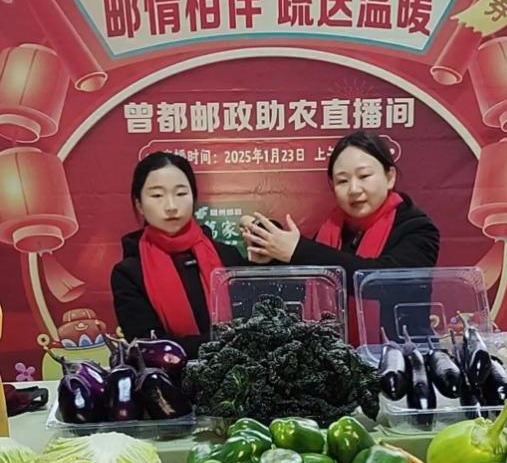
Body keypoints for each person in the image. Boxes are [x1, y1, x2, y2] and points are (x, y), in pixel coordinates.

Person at [242, 131, 440, 343]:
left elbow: (383, 281)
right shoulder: (331, 230)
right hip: (335, 355)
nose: (353, 189)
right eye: (342, 181)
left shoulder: (418, 229)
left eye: (364, 176)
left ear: (390, 177)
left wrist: (298, 250)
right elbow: (304, 282)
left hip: (400, 356)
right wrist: (270, 250)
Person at [111, 151, 243, 358]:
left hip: (236, 371)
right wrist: (226, 343)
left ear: (193, 197)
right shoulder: (128, 273)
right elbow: (149, 346)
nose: (171, 206)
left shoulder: (228, 256)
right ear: (139, 204)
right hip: (169, 375)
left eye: (181, 194)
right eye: (157, 196)